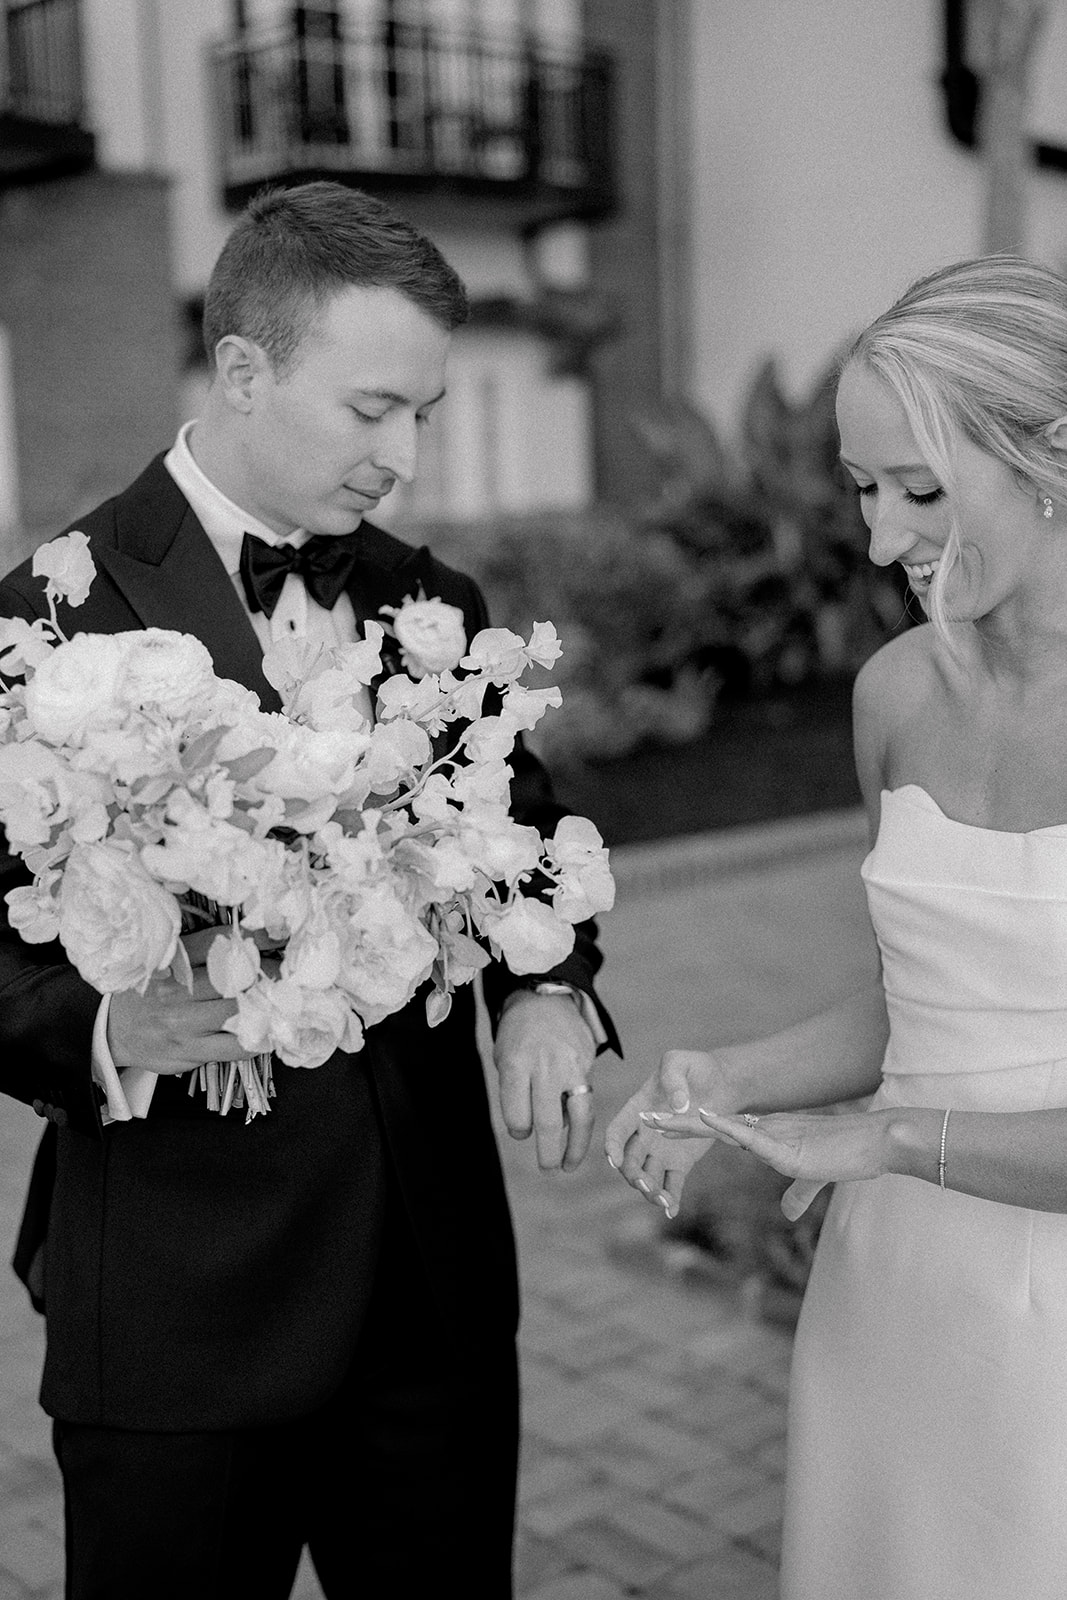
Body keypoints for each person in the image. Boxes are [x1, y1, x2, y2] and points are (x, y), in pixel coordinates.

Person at [0, 181, 618, 1599]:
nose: (405, 457)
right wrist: (104, 1031)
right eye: (372, 409)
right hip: (181, 1309)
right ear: (241, 370)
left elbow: (526, 832)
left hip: (428, 1304)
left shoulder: (434, 606)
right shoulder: (47, 619)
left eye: (425, 414)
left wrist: (545, 988)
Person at [606, 254, 1067, 1600]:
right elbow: (910, 996)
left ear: (1051, 457)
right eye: (863, 489)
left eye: (920, 491)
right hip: (896, 1291)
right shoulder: (895, 697)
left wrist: (886, 1139)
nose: (879, 540)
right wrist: (731, 1079)